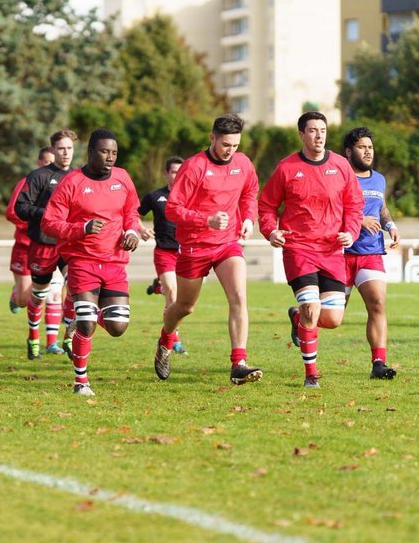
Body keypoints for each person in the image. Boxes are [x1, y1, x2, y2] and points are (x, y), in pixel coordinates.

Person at [258, 112, 362, 389]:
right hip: (299, 248)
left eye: (323, 130)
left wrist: (350, 232)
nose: (318, 136)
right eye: (313, 131)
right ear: (301, 135)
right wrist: (271, 230)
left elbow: (354, 205)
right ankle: (311, 373)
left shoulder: (341, 166)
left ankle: (297, 317)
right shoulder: (286, 168)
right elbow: (267, 205)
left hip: (331, 251)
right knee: (311, 308)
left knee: (333, 319)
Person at [158, 115, 261, 385]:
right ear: (212, 138)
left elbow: (250, 192)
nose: (231, 150)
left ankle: (239, 362)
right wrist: (206, 219)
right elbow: (172, 208)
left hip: (227, 244)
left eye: (236, 145)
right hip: (194, 246)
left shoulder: (243, 164)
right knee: (184, 306)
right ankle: (166, 340)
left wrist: (248, 219)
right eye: (226, 144)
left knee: (239, 296)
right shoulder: (194, 167)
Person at [41, 128, 141, 397]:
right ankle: (81, 381)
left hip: (115, 262)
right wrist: (81, 228)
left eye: (114, 153)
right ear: (90, 152)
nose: (110, 157)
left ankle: (88, 315)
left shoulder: (123, 178)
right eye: (104, 151)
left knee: (118, 328)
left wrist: (131, 231)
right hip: (82, 261)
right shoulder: (72, 182)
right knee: (86, 325)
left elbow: (131, 211)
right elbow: (49, 223)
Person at [341, 127, 400, 380]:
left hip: (370, 252)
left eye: (370, 147)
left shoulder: (379, 179)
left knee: (377, 303)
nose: (367, 151)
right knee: (333, 315)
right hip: (340, 253)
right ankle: (300, 315)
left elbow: (382, 208)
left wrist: (390, 226)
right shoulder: (338, 177)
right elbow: (328, 210)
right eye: (361, 147)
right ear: (348, 151)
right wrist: (358, 220)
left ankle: (378, 363)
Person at [15, 129, 78, 360]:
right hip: (42, 243)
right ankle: (33, 336)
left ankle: (69, 336)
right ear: (53, 149)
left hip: (68, 243)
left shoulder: (79, 177)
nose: (66, 153)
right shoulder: (38, 176)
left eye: (69, 148)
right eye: (61, 148)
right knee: (39, 295)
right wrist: (47, 215)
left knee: (75, 285)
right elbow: (20, 208)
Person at [138, 156, 186, 355]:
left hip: (185, 252)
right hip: (164, 252)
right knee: (173, 294)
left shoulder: (191, 196)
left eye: (181, 171)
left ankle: (158, 287)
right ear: (166, 173)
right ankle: (174, 338)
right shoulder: (154, 196)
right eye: (174, 171)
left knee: (183, 299)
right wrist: (141, 230)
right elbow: (134, 214)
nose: (177, 175)